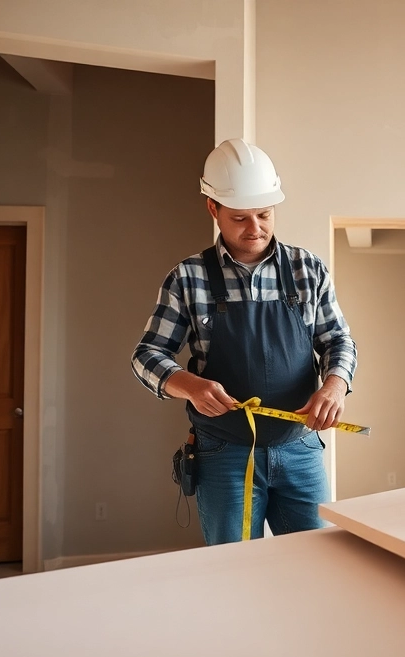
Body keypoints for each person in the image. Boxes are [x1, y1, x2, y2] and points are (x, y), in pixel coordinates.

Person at [132, 138, 357, 545]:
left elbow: (337, 340)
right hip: (224, 454)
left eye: (264, 215)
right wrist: (191, 386)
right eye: (239, 218)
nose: (255, 229)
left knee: (314, 566)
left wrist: (335, 384)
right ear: (213, 208)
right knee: (232, 570)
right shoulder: (189, 277)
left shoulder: (308, 270)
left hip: (300, 450)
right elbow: (147, 354)